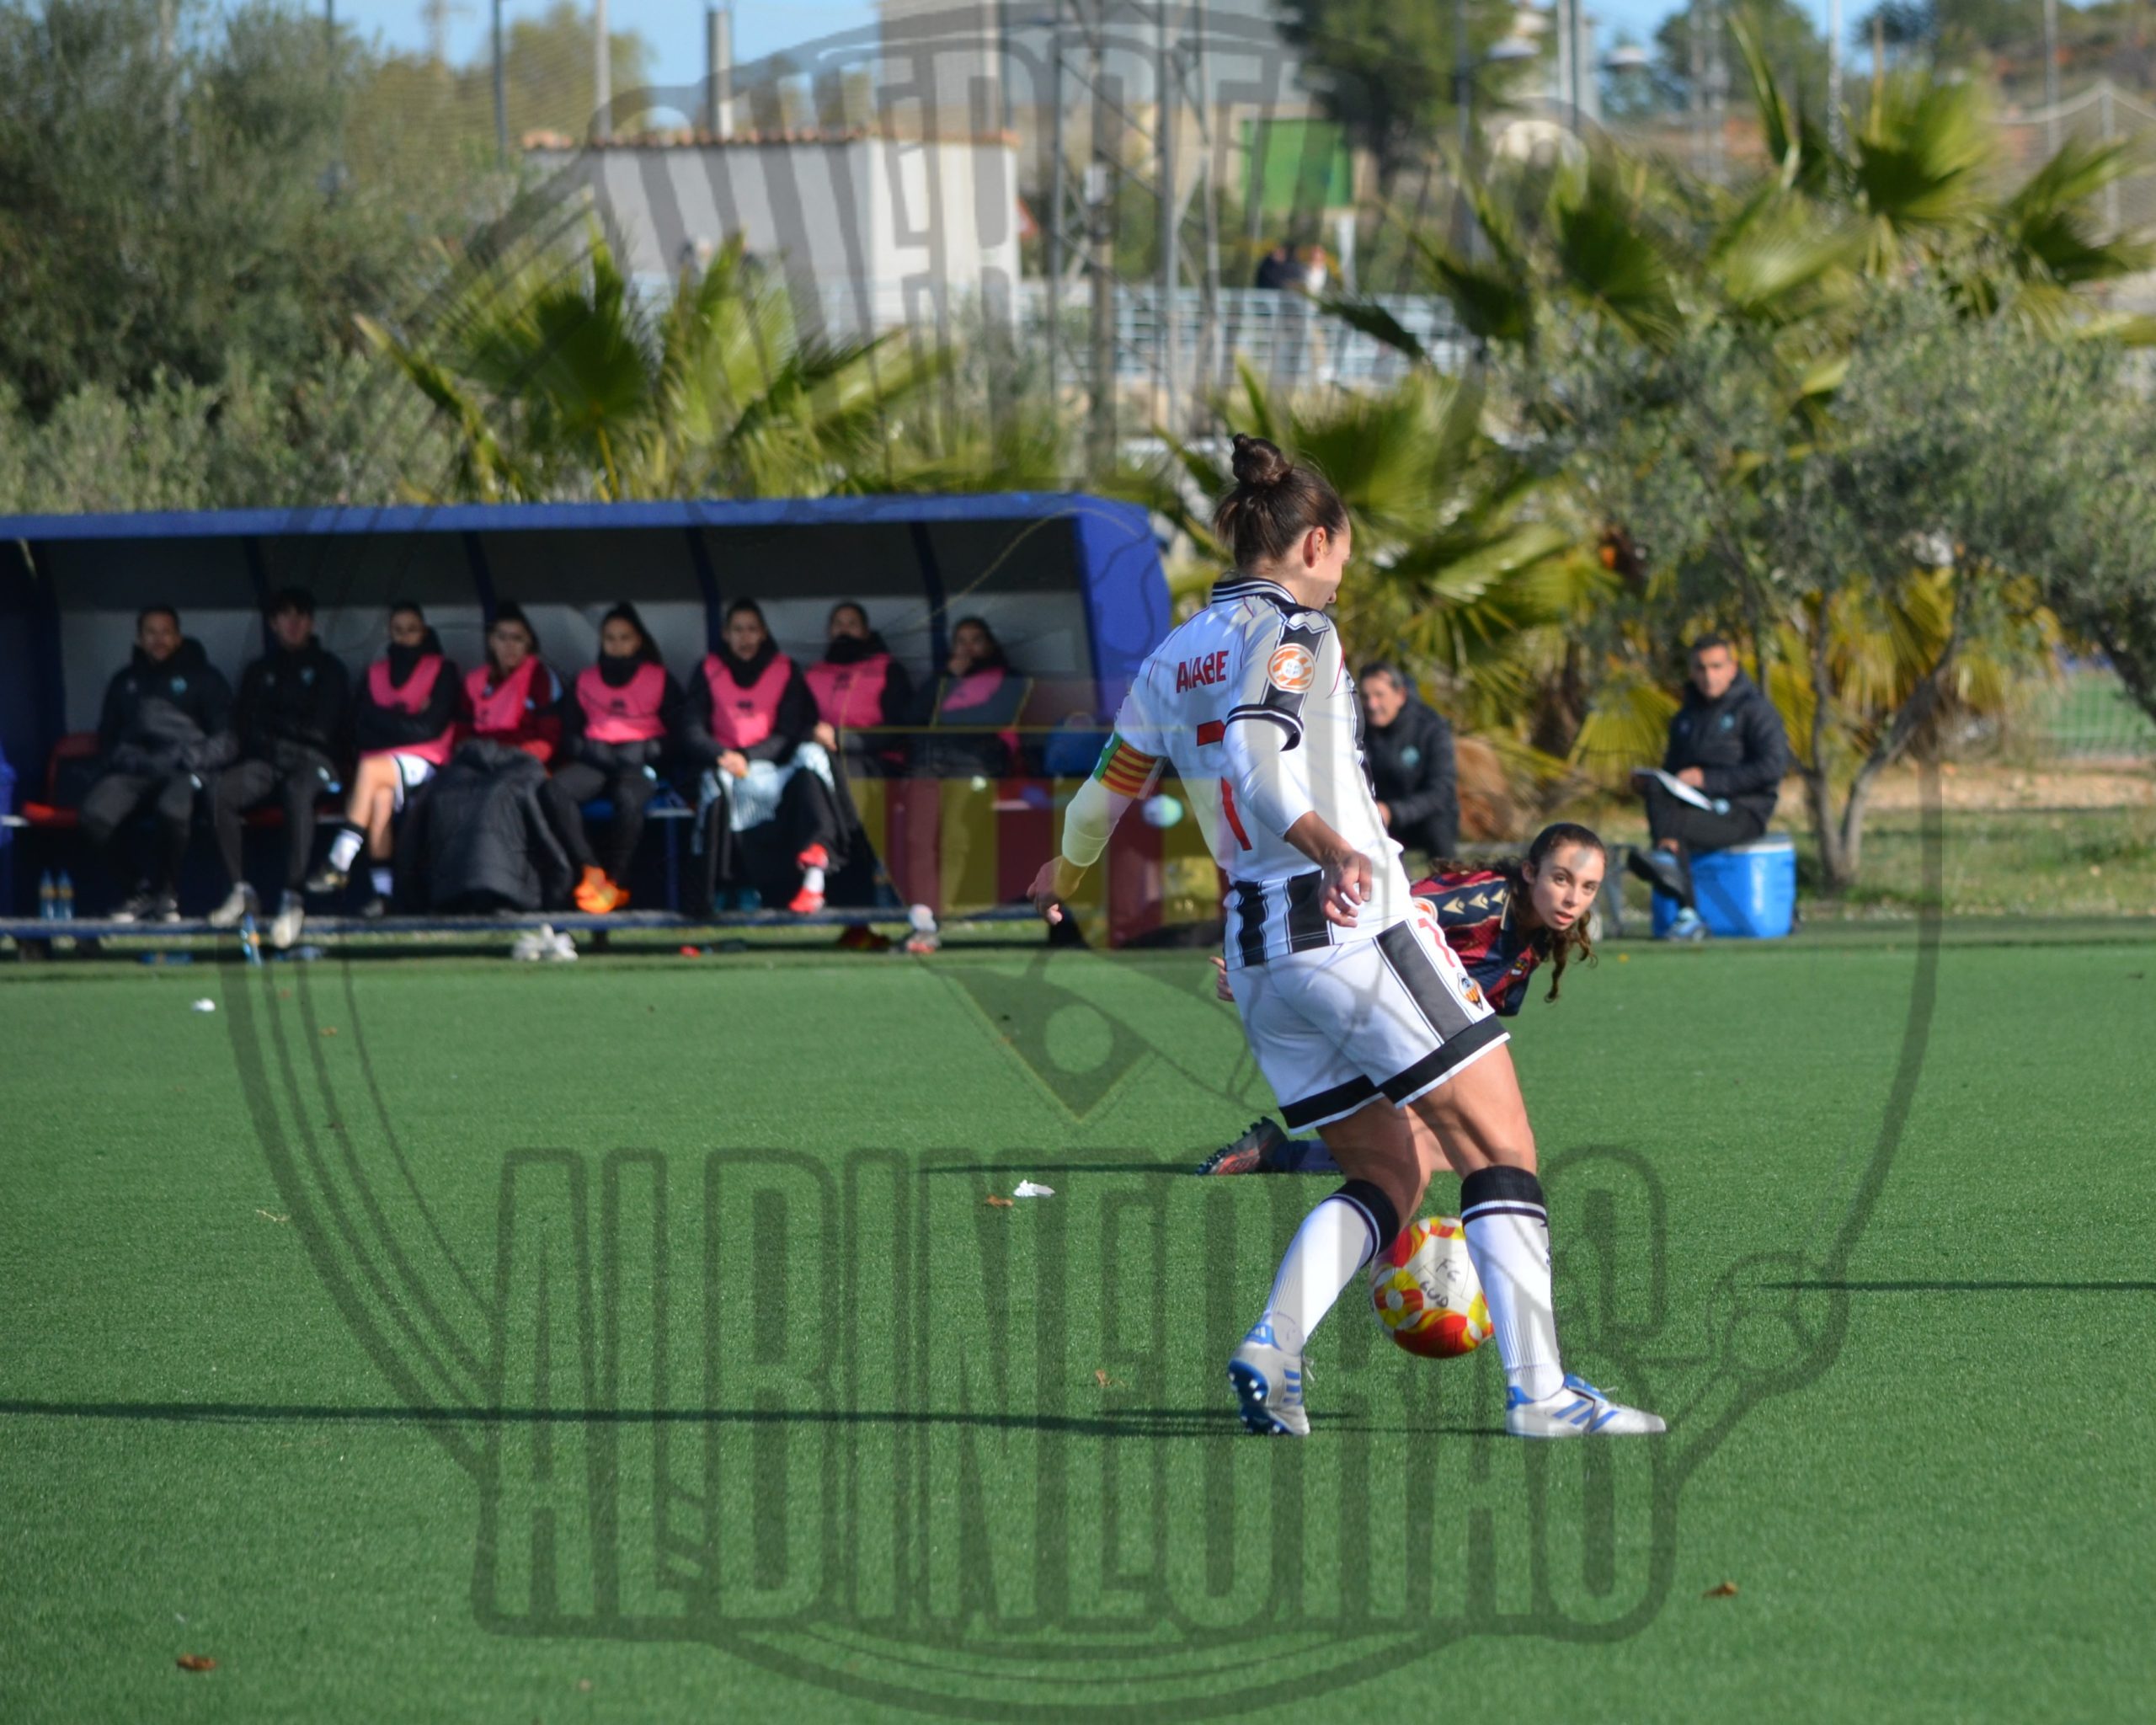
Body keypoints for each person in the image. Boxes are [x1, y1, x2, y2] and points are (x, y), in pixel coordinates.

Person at [1029, 432, 1660, 1441]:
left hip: (1260, 959)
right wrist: (1328, 844)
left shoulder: (1173, 652)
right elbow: (1255, 752)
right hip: (1346, 926)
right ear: (1316, 541)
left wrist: (1063, 872)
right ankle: (1541, 1393)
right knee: (1500, 1144)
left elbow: (1106, 792)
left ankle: (1274, 1347)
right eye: (1345, 553)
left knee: (1388, 1175)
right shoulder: (1299, 629)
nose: (1342, 574)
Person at [1199, 822, 1607, 1177]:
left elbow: (1480, 1010)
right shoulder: (1482, 902)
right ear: (1531, 872)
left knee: (1469, 1147)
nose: (1573, 898)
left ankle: (1281, 1153)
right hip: (1365, 1009)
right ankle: (1288, 1154)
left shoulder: (1536, 938)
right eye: (1561, 879)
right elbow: (1381, 917)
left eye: (1588, 887)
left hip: (1406, 1032)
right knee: (1480, 1146)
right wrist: (1268, 970)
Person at [208, 587, 350, 948]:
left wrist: (278, 734)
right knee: (223, 790)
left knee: (297, 792)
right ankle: (241, 890)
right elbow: (245, 725)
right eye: (285, 616)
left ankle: (293, 897)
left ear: (311, 622)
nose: (293, 623)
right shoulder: (259, 671)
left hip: (314, 761)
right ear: (273, 624)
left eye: (300, 615)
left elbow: (323, 728)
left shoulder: (329, 668)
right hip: (268, 760)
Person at [685, 599, 844, 915]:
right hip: (725, 766)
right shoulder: (708, 670)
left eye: (751, 629)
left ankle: (814, 865)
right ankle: (720, 892)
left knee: (812, 760)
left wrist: (747, 756)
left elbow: (788, 731)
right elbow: (691, 728)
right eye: (738, 630)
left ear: (763, 633)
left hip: (774, 767)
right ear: (726, 634)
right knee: (717, 788)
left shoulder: (785, 669)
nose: (745, 637)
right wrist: (723, 755)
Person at [1627, 633, 1790, 942]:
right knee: (1658, 790)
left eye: (1716, 667)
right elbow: (1672, 774)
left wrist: (1708, 780)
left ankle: (1684, 904)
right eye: (1701, 668)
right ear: (1692, 671)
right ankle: (1671, 871)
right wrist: (1647, 783)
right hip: (1694, 808)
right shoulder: (1685, 717)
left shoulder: (1755, 710)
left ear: (1732, 668)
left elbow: (1772, 768)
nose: (1708, 676)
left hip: (1743, 812)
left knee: (1673, 829)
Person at [81, 605, 236, 921]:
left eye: (166, 632)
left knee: (172, 811)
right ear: (139, 639)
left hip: (184, 769)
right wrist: (133, 760)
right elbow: (108, 740)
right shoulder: (124, 681)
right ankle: (138, 891)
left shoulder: (205, 678)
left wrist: (191, 758)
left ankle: (167, 894)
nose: (158, 640)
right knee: (95, 814)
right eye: (151, 633)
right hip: (138, 770)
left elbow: (227, 739)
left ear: (178, 637)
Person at [310, 601, 459, 916]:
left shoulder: (442, 669)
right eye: (398, 630)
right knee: (379, 799)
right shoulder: (375, 673)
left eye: (412, 629)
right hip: (381, 765)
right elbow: (358, 727)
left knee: (370, 771)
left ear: (424, 631)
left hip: (426, 762)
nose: (405, 636)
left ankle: (339, 859)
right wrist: (404, 721)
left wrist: (380, 719)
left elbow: (429, 728)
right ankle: (384, 893)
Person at [551, 603, 684, 912]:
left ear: (638, 641)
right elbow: (569, 734)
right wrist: (590, 750)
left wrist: (650, 750)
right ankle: (591, 870)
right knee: (555, 790)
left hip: (638, 763)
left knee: (628, 798)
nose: (617, 644)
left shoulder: (660, 679)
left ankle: (616, 882)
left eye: (625, 637)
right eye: (610, 638)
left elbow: (679, 733)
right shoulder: (585, 681)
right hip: (597, 760)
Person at [1358, 663, 1459, 862]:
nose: (1372, 704)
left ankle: (1448, 878)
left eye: (1379, 695)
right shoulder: (1356, 730)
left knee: (1437, 827)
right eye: (1365, 697)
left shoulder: (1431, 728)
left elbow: (1441, 791)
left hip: (1425, 820)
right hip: (1378, 820)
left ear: (1400, 695)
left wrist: (1393, 812)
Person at [807, 601, 914, 777]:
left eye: (852, 624)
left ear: (866, 631)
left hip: (874, 759)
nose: (844, 630)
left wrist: (840, 738)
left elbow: (898, 729)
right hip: (819, 754)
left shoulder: (888, 670)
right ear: (829, 631)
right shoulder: (813, 673)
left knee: (844, 770)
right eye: (838, 624)